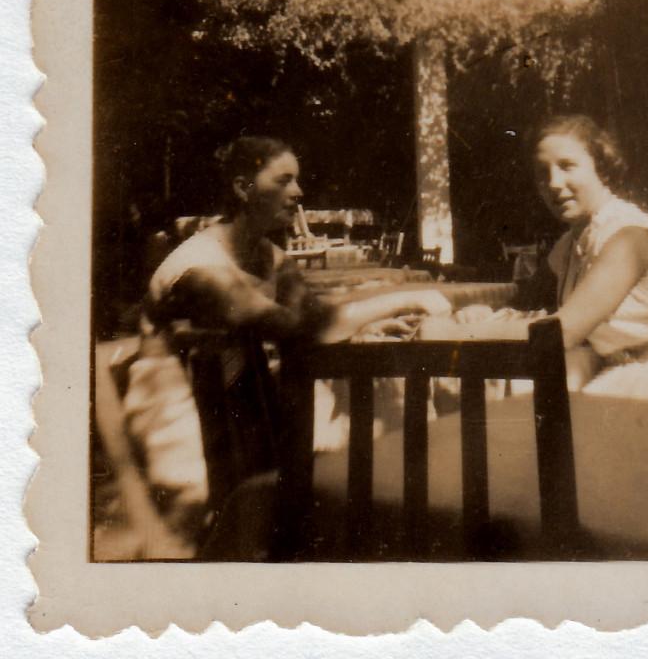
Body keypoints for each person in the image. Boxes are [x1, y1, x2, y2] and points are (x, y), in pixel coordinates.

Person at [122, 135, 449, 544]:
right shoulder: (201, 268)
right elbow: (306, 327)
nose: (298, 192)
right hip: (176, 407)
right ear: (244, 187)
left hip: (238, 398)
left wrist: (362, 327)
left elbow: (312, 315)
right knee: (231, 524)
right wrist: (404, 298)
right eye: (284, 180)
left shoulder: (267, 255)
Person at [420, 115, 648, 410]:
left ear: (600, 168)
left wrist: (449, 334)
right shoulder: (574, 240)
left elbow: (563, 333)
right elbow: (524, 296)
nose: (554, 183)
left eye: (567, 166)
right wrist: (470, 309)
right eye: (543, 174)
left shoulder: (629, 237)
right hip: (622, 372)